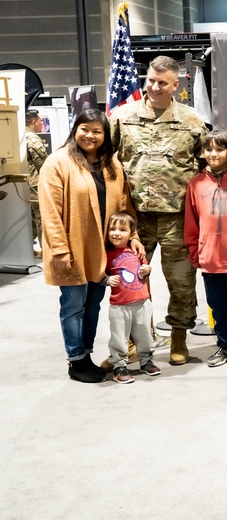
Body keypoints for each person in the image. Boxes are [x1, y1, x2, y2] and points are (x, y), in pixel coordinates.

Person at [110, 54, 206, 365]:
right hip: (134, 219)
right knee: (129, 280)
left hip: (178, 217)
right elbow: (106, 161)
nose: (154, 86)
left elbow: (206, 165)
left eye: (162, 82)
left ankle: (179, 337)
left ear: (176, 85)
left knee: (181, 281)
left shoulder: (192, 121)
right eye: (150, 80)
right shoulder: (123, 118)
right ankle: (133, 343)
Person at [39, 109, 136, 383]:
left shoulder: (111, 165)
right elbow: (50, 211)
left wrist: (133, 238)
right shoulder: (57, 162)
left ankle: (87, 354)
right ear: (75, 129)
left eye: (97, 131)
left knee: (93, 304)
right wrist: (59, 249)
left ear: (105, 136)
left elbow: (125, 206)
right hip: (72, 249)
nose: (90, 135)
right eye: (85, 129)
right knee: (73, 305)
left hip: (103, 251)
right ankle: (76, 360)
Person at [184, 129, 227, 368]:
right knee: (217, 306)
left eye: (219, 149)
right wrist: (196, 252)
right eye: (209, 149)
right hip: (210, 256)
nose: (213, 154)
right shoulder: (195, 184)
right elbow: (191, 222)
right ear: (203, 153)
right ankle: (224, 346)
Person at [103, 211, 159, 384]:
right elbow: (97, 274)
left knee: (144, 335)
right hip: (119, 306)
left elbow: (145, 266)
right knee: (119, 337)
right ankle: (119, 365)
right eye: (112, 229)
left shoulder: (136, 250)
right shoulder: (106, 254)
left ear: (131, 234)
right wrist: (106, 280)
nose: (116, 233)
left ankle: (146, 361)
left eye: (122, 229)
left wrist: (147, 269)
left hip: (142, 302)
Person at [25, 108, 48, 256]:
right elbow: (44, 164)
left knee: (31, 218)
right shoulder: (32, 138)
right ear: (33, 122)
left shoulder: (20, 134)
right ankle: (46, 250)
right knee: (41, 217)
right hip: (35, 184)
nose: (42, 124)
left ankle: (27, 249)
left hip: (25, 183)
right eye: (40, 121)